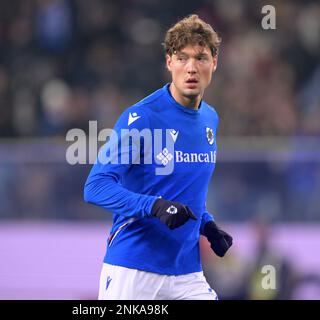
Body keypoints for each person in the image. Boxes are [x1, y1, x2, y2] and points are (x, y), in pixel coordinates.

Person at [84, 14, 233, 300]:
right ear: (169, 62)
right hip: (134, 269)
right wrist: (154, 206)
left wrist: (207, 224)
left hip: (187, 273)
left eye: (201, 58)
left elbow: (184, 190)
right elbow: (96, 186)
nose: (191, 68)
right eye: (182, 58)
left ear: (214, 62)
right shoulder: (142, 118)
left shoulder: (209, 119)